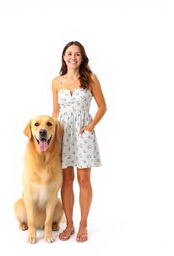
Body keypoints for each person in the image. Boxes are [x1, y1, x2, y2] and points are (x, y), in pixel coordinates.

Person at [51, 41, 107, 242]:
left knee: (84, 180)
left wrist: (90, 127)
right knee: (66, 181)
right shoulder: (56, 82)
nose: (73, 57)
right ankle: (70, 223)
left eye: (77, 54)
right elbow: (56, 111)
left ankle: (83, 224)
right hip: (63, 133)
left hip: (83, 133)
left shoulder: (90, 78)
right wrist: (52, 134)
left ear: (82, 58)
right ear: (64, 56)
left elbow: (102, 107)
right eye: (69, 54)